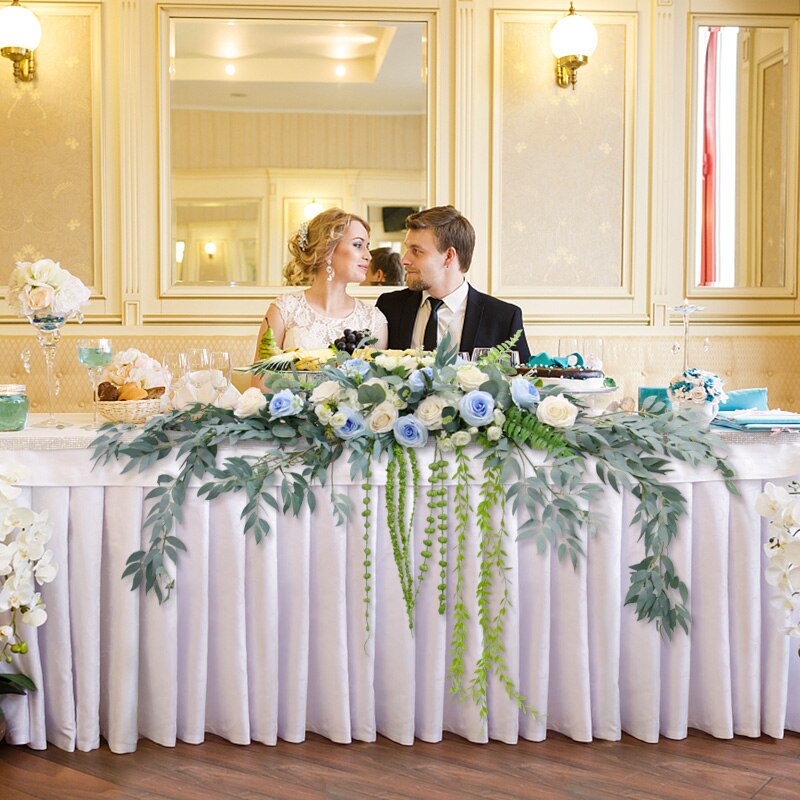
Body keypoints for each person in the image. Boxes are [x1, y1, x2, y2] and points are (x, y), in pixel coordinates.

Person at [376, 205, 531, 362]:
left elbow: (523, 381)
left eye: (416, 251)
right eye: (407, 249)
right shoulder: (389, 307)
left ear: (449, 256)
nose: (404, 260)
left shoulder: (503, 318)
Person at [253, 208, 388, 376]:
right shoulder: (284, 309)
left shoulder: (374, 320)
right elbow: (261, 382)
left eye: (367, 247)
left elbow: (377, 388)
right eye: (358, 245)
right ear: (327, 250)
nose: (368, 255)